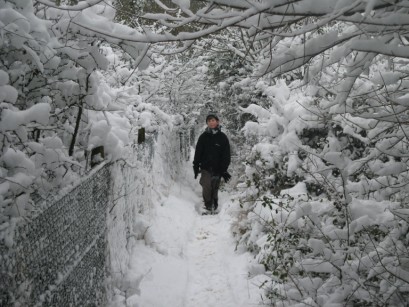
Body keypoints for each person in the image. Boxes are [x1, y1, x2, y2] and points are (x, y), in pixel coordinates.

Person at [193, 114, 231, 212]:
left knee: (214, 186)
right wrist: (196, 166)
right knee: (206, 185)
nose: (211, 122)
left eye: (213, 120)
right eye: (209, 121)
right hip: (205, 167)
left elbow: (226, 155)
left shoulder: (223, 137)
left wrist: (224, 170)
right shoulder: (203, 137)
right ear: (207, 123)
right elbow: (198, 152)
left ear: (217, 122)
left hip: (218, 167)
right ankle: (208, 204)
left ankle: (215, 202)